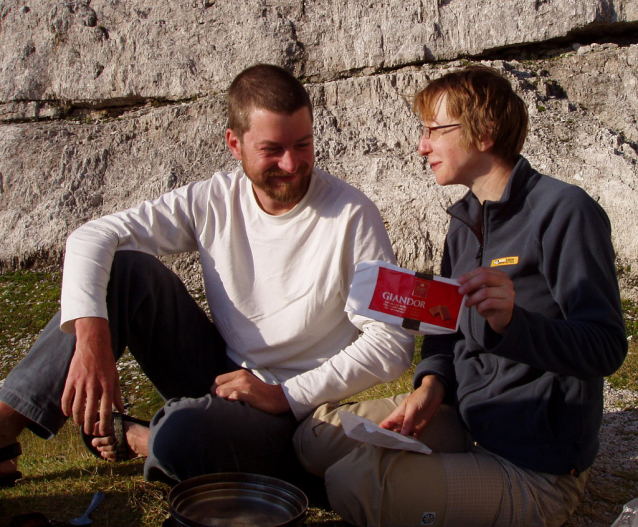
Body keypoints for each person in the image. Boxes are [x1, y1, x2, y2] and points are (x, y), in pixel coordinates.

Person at [0, 64, 414, 487]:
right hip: (220, 373)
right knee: (125, 271)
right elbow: (92, 236)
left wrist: (283, 395)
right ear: (234, 144)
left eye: (303, 144)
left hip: (293, 407)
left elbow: (393, 342)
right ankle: (2, 430)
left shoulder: (354, 215)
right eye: (272, 149)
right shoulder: (213, 198)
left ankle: (149, 438)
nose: (291, 164)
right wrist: (93, 343)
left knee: (185, 437)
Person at [293, 65, 628, 526]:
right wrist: (432, 386)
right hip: (469, 420)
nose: (422, 145)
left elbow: (606, 347)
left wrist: (514, 324)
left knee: (355, 483)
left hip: (536, 465)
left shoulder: (565, 211)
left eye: (435, 130)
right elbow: (443, 328)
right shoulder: (465, 220)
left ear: (485, 132)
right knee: (315, 438)